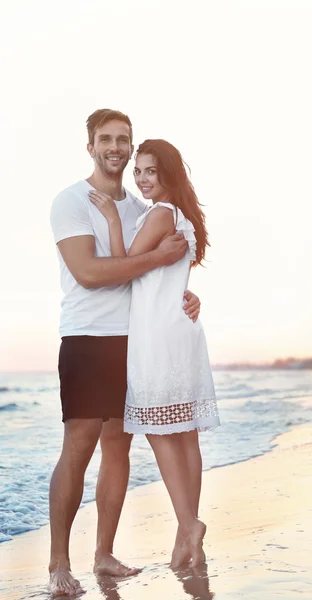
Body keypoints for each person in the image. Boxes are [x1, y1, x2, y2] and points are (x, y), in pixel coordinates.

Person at [49, 110, 201, 597]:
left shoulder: (142, 206)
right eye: (106, 139)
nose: (116, 148)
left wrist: (185, 296)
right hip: (89, 339)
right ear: (90, 145)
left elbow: (156, 277)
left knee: (119, 447)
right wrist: (156, 259)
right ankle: (58, 564)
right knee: (78, 447)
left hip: (136, 342)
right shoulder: (71, 201)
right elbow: (90, 273)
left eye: (123, 140)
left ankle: (104, 555)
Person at [88, 139, 220, 569]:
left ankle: (189, 524)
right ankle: (187, 538)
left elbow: (124, 264)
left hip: (158, 336)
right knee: (186, 436)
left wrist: (110, 216)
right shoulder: (182, 217)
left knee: (163, 431)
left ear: (169, 173)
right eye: (139, 172)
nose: (142, 179)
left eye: (150, 171)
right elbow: (165, 275)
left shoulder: (160, 213)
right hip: (181, 331)